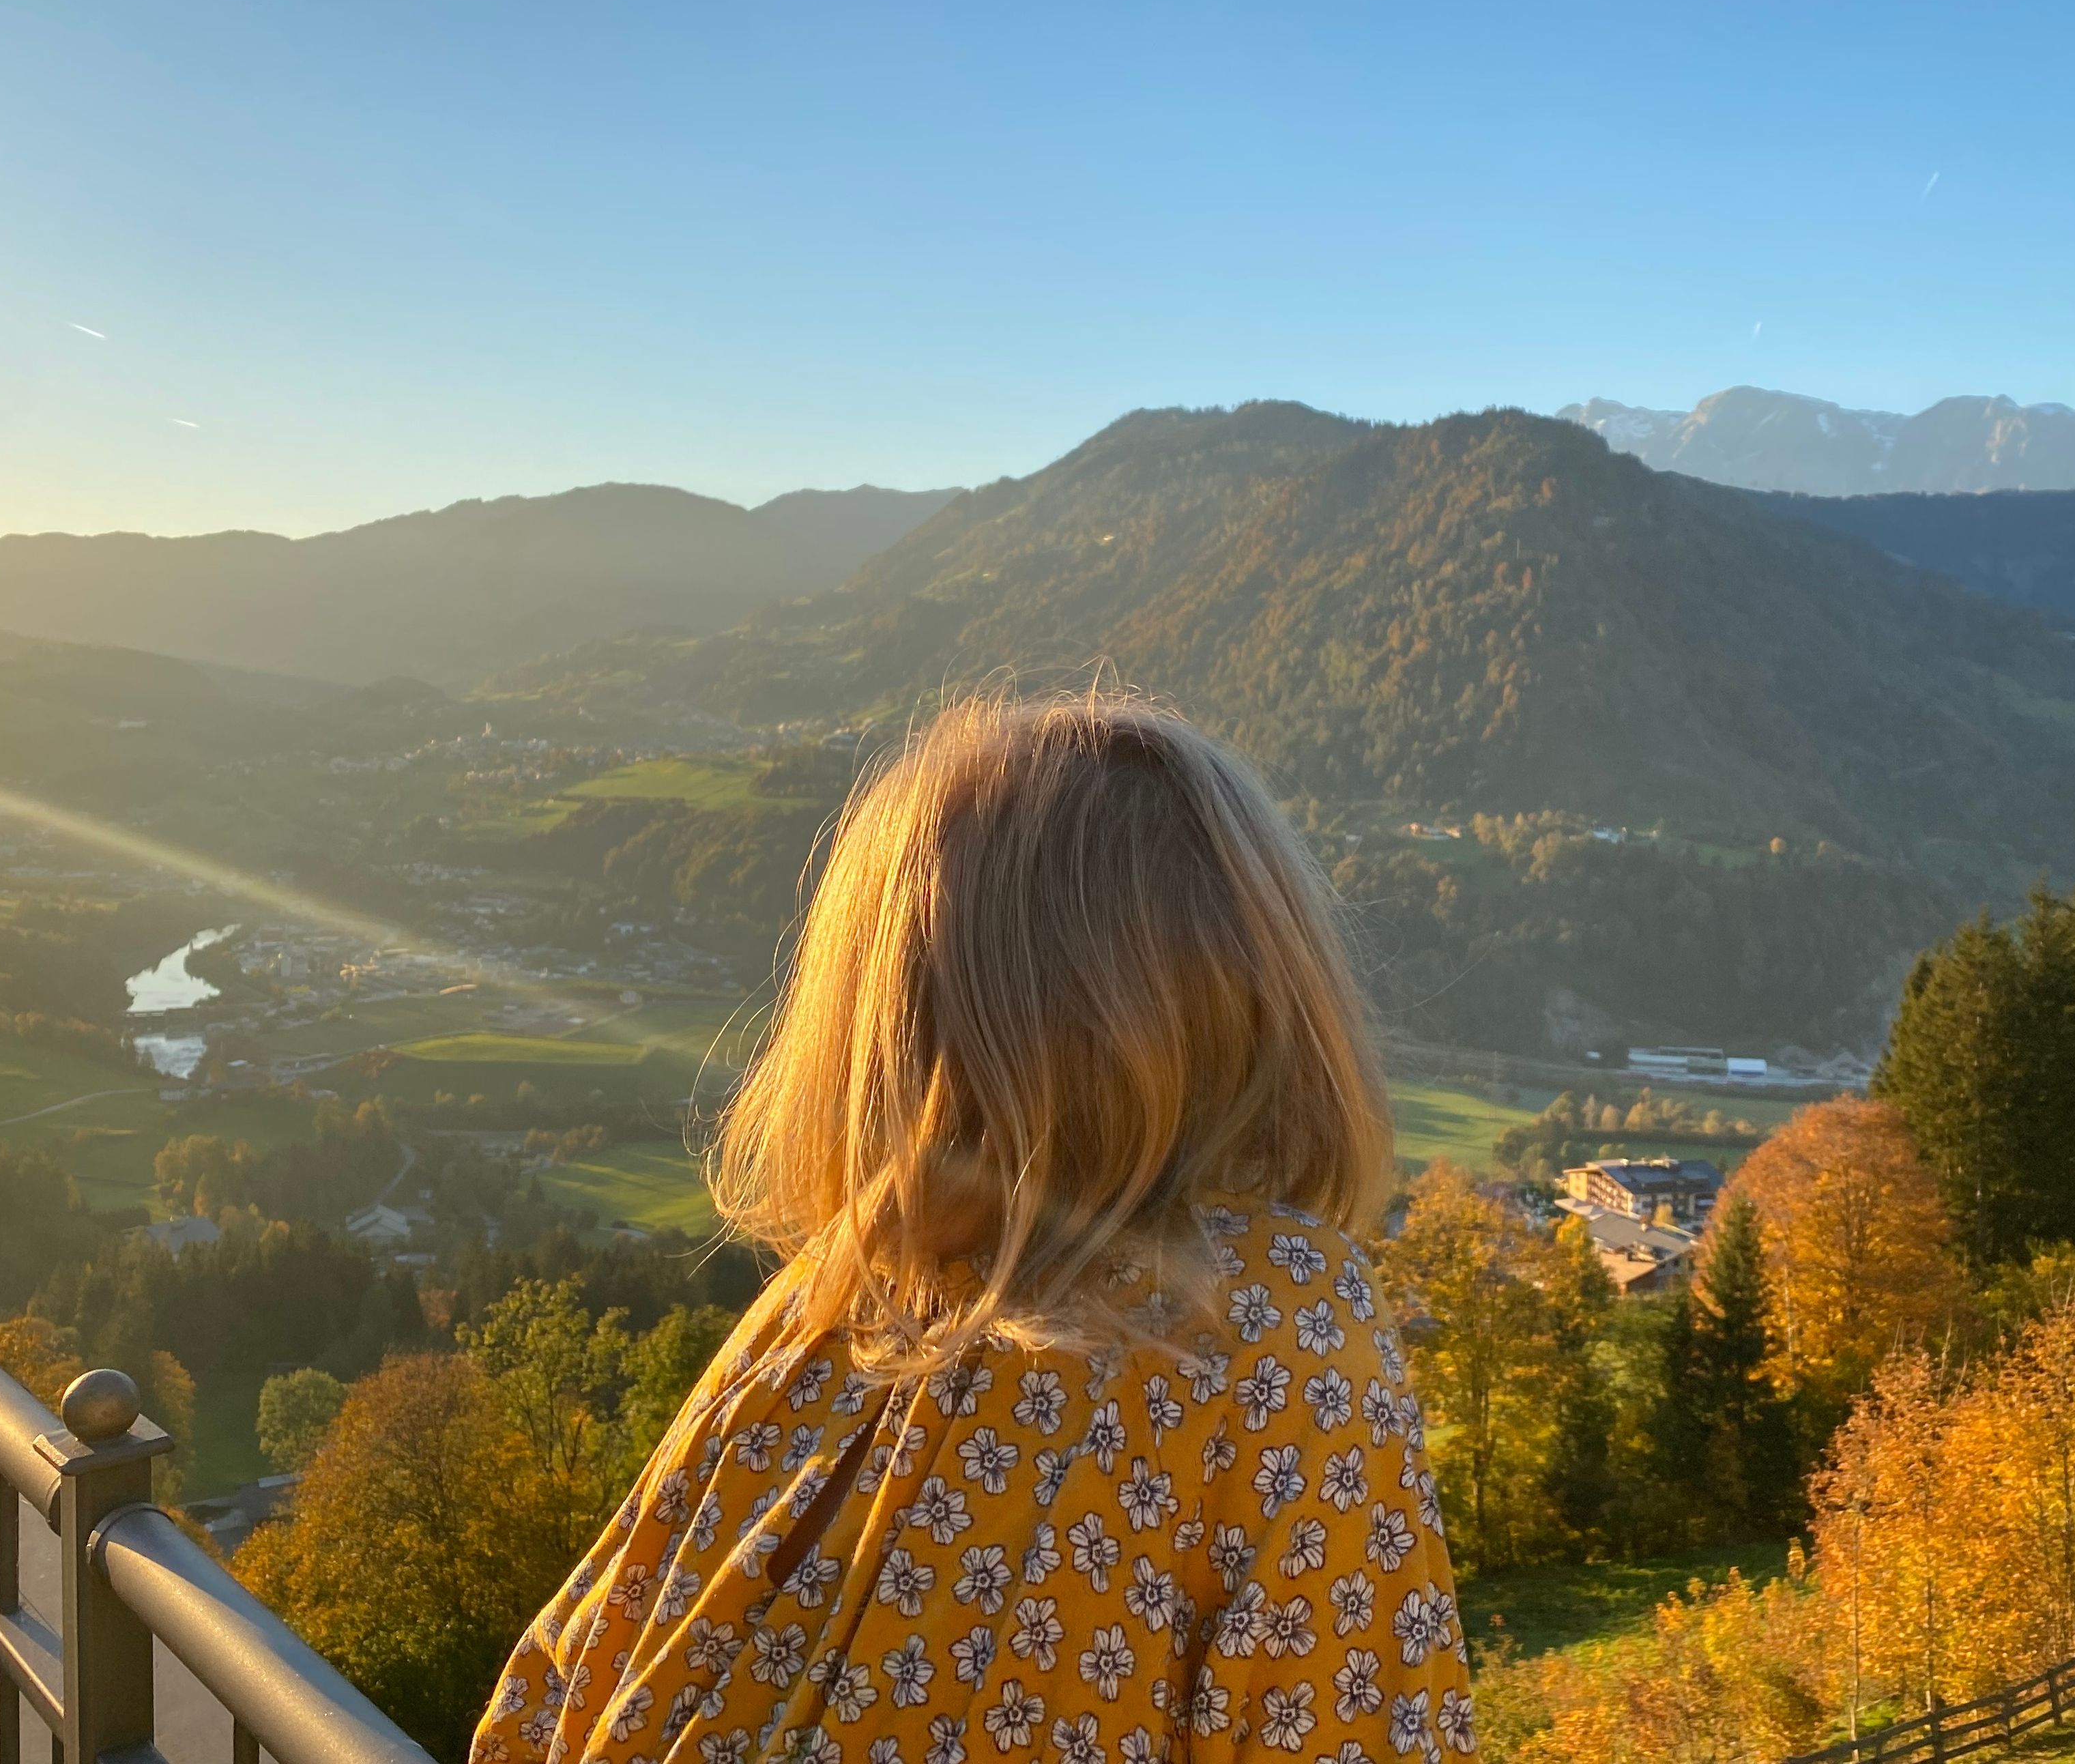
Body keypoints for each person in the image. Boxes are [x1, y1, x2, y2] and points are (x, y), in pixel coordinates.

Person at [473, 695, 1472, 1764]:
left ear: (891, 1011)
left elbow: (556, 1694)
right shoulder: (1277, 1332)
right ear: (1268, 979)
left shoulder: (825, 1309)